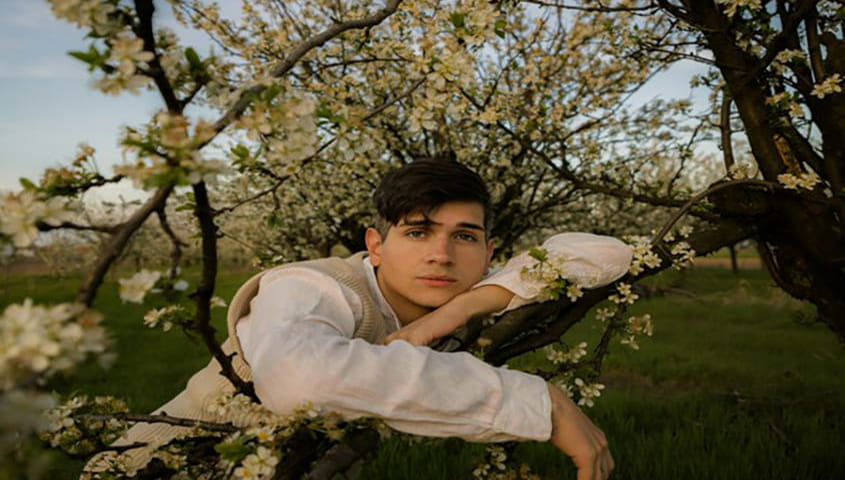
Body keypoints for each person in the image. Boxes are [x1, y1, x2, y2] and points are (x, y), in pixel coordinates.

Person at [87, 159, 631, 480]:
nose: (441, 254)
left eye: (463, 236)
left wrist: (464, 308)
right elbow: (303, 379)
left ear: (491, 253)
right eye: (417, 232)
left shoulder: (470, 292)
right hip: (158, 465)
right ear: (375, 246)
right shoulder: (313, 285)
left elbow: (611, 255)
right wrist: (541, 402)